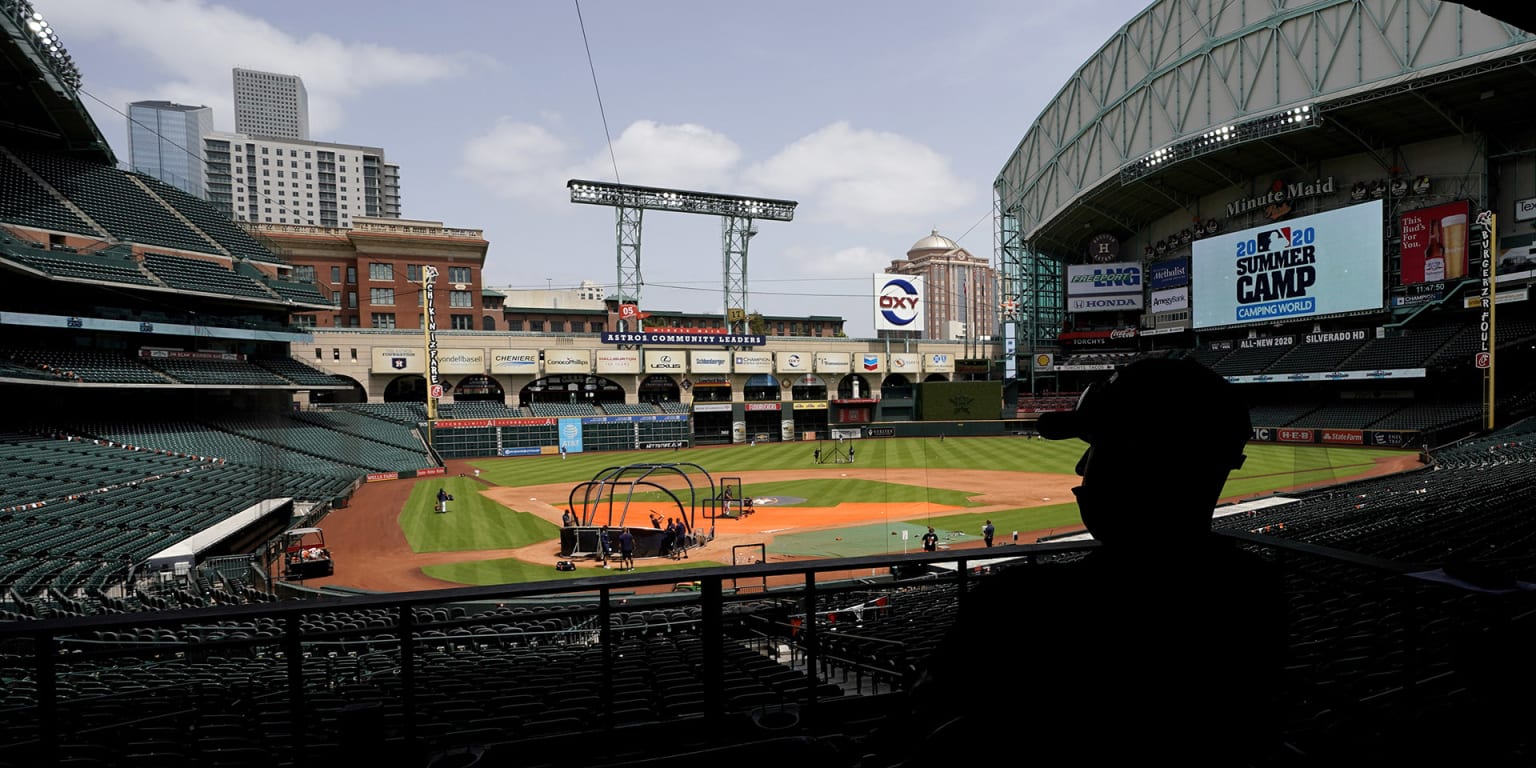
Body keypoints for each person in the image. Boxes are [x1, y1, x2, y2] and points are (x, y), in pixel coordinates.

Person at [878, 357, 1287, 766]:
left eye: (1096, 448)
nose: (1080, 466)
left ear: (1137, 462)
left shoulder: (1019, 603)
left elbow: (925, 725)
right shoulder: (1256, 590)